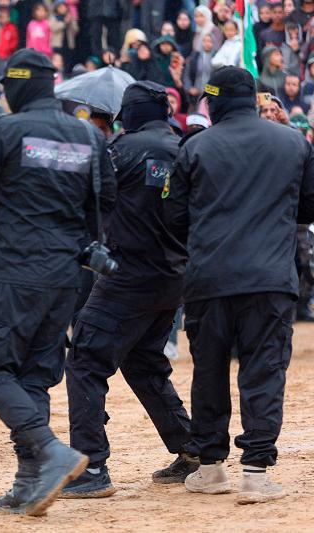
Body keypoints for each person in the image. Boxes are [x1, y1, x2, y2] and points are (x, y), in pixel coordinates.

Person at [0, 49, 114, 516]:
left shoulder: (6, 130)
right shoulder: (89, 134)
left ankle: (49, 452)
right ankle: (30, 482)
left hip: (18, 271)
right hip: (69, 276)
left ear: (17, 86)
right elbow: (105, 200)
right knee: (33, 376)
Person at [164, 66, 314, 504]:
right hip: (270, 278)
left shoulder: (195, 146)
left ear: (212, 102)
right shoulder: (293, 143)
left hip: (209, 278)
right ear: (252, 99)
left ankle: (211, 467)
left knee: (208, 370)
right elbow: (307, 209)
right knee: (264, 370)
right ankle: (256, 472)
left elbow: (173, 218)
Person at [60, 82, 196, 499]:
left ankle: (91, 466)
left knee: (84, 360)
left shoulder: (122, 151)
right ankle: (191, 449)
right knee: (143, 362)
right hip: (174, 277)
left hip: (127, 276)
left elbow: (87, 196)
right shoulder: (184, 148)